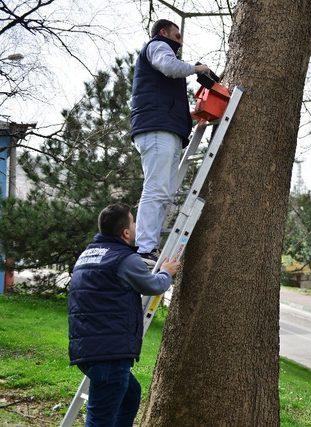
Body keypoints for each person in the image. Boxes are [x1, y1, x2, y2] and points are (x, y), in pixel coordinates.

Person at [67, 203, 180, 426]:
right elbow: (153, 285)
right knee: (100, 421)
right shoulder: (123, 259)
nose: (138, 226)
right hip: (109, 354)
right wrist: (166, 272)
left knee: (130, 394)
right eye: (134, 222)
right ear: (125, 232)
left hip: (88, 350)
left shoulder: (88, 254)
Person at [130, 19, 212, 264]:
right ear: (164, 32)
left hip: (164, 127)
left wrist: (191, 117)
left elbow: (167, 92)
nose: (179, 42)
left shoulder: (164, 52)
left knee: (163, 192)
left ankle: (149, 247)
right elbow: (168, 66)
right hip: (156, 127)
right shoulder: (158, 46)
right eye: (177, 36)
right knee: (156, 188)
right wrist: (197, 68)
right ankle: (145, 248)